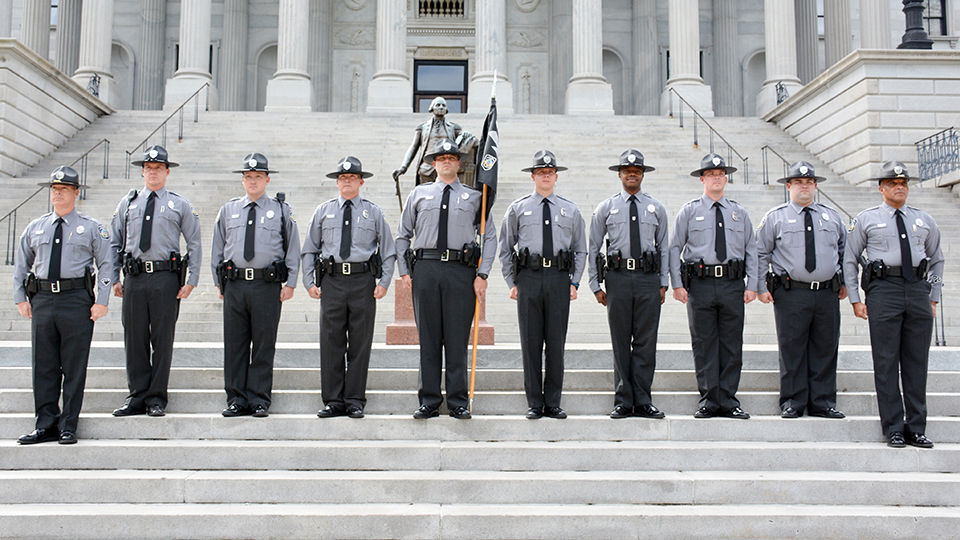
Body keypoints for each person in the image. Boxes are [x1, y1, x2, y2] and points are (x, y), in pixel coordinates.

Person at [843, 160, 943, 449]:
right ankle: (894, 428)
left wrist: (934, 295)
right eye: (893, 184)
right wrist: (855, 299)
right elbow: (850, 259)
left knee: (916, 363)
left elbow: (937, 260)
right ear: (881, 188)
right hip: (883, 290)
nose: (899, 188)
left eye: (903, 184)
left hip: (917, 291)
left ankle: (917, 427)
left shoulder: (924, 220)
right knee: (886, 362)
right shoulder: (866, 219)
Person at [395, 139, 496, 420]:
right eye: (441, 158)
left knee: (455, 338)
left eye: (452, 157)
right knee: (428, 339)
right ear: (433, 164)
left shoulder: (476, 197)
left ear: (459, 163)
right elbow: (402, 235)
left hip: (460, 273)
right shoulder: (419, 195)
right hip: (425, 270)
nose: (447, 162)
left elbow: (489, 237)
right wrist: (404, 270)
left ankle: (457, 401)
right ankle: (428, 400)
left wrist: (483, 274)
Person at [13, 166, 113, 444]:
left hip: (76, 301)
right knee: (43, 365)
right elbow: (21, 264)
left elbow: (106, 265)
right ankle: (45, 424)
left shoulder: (93, 228)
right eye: (54, 189)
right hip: (42, 299)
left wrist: (101, 301)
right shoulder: (36, 227)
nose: (57, 193)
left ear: (76, 193)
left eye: (64, 189)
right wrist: (20, 297)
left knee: (73, 365)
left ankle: (68, 425)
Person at [110, 145, 202, 418]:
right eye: (148, 169)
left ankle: (156, 398)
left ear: (167, 171)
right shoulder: (127, 203)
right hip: (135, 278)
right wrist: (114, 276)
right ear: (142, 171)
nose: (153, 173)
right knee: (134, 338)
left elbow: (194, 242)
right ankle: (137, 396)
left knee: (162, 339)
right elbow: (114, 241)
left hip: (165, 279)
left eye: (158, 168)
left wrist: (192, 279)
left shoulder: (179, 204)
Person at [302, 156, 396, 419]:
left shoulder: (373, 212)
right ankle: (333, 400)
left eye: (352, 178)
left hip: (362, 282)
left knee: (360, 342)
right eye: (342, 178)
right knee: (331, 341)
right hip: (331, 281)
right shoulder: (323, 211)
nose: (346, 182)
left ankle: (354, 399)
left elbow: (388, 250)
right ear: (337, 182)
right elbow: (309, 249)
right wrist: (309, 281)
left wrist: (384, 282)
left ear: (361, 181)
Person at [498, 150, 586, 420]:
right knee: (531, 342)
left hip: (559, 279)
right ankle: (535, 402)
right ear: (533, 176)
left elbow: (580, 249)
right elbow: (505, 247)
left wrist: (574, 282)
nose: (545, 176)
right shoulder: (518, 208)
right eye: (541, 172)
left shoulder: (570, 210)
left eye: (550, 172)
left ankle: (554, 402)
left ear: (556, 176)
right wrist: (512, 282)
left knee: (556, 343)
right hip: (529, 278)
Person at [211, 153, 300, 418]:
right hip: (236, 285)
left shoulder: (281, 210)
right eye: (248, 177)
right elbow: (218, 247)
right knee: (235, 344)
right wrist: (219, 282)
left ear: (267, 179)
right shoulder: (229, 210)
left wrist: (291, 282)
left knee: (263, 344)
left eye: (258, 176)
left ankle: (259, 399)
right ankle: (236, 399)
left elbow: (292, 246)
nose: (252, 181)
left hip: (266, 284)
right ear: (242, 180)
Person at [669, 153, 757, 420]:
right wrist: (677, 284)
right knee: (704, 342)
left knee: (731, 343)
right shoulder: (690, 211)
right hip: (700, 284)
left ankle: (729, 399)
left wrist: (752, 284)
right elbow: (674, 248)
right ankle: (708, 399)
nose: (717, 178)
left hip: (732, 283)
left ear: (726, 179)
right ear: (702, 179)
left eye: (721, 174)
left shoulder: (738, 213)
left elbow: (752, 249)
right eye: (711, 175)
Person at [756, 161, 846, 419]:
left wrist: (847, 284)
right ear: (789, 186)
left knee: (825, 347)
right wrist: (761, 286)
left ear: (815, 185)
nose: (804, 186)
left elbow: (844, 252)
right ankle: (793, 401)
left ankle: (823, 401)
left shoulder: (832, 216)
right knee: (792, 348)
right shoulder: (776, 217)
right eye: (798, 182)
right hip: (791, 292)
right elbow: (761, 252)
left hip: (827, 292)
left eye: (808, 182)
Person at [587, 149, 668, 420]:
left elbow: (664, 248)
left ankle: (643, 400)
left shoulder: (656, 208)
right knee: (620, 341)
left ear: (643, 174)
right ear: (619, 174)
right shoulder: (606, 207)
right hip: (618, 279)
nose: (632, 173)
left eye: (637, 170)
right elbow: (593, 246)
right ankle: (623, 400)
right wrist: (595, 285)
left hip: (648, 279)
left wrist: (664, 282)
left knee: (646, 342)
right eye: (627, 170)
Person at [393, 97, 464, 185]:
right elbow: (413, 147)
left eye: (444, 105)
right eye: (438, 105)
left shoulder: (454, 128)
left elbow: (464, 139)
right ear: (432, 108)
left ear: (446, 109)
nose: (441, 107)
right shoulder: (422, 128)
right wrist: (403, 167)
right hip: (427, 168)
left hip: (446, 167)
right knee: (426, 196)